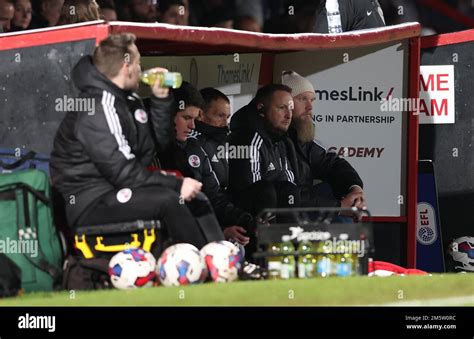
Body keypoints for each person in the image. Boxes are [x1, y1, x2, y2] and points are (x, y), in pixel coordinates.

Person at [50, 33, 210, 249]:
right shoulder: (98, 106)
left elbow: (156, 145)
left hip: (117, 189)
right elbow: (123, 172)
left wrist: (161, 99)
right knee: (170, 199)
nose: (140, 69)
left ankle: (219, 258)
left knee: (196, 198)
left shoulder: (129, 100)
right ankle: (203, 267)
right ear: (127, 67)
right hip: (91, 201)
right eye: (138, 63)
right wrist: (176, 184)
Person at [281, 71, 366, 213]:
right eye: (302, 99)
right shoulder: (271, 141)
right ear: (284, 103)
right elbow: (288, 196)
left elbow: (332, 163)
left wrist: (355, 189)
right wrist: (337, 207)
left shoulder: (302, 139)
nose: (310, 107)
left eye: (312, 100)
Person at [184, 88, 254, 246]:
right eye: (220, 116)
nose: (225, 123)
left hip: (222, 213)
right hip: (200, 226)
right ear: (201, 115)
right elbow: (206, 197)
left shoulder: (223, 143)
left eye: (227, 117)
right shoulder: (192, 145)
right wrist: (223, 230)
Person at [228, 84, 300, 219]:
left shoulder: (281, 139)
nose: (288, 115)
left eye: (290, 109)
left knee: (290, 191)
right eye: (282, 108)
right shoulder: (248, 138)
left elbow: (290, 185)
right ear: (261, 109)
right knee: (265, 191)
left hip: (273, 216)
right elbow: (254, 193)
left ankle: (287, 238)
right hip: (247, 220)